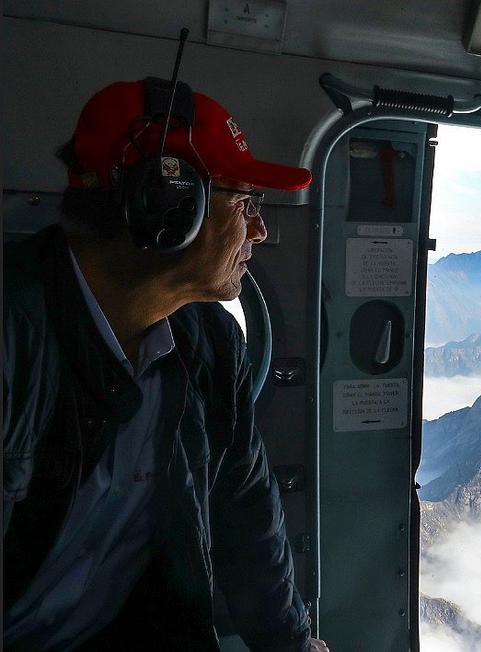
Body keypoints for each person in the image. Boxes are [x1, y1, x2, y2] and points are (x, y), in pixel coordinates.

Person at [3, 79, 329, 651]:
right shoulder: (13, 333)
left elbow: (246, 514)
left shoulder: (214, 344)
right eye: (247, 202)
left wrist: (295, 648)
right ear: (168, 202)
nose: (262, 229)